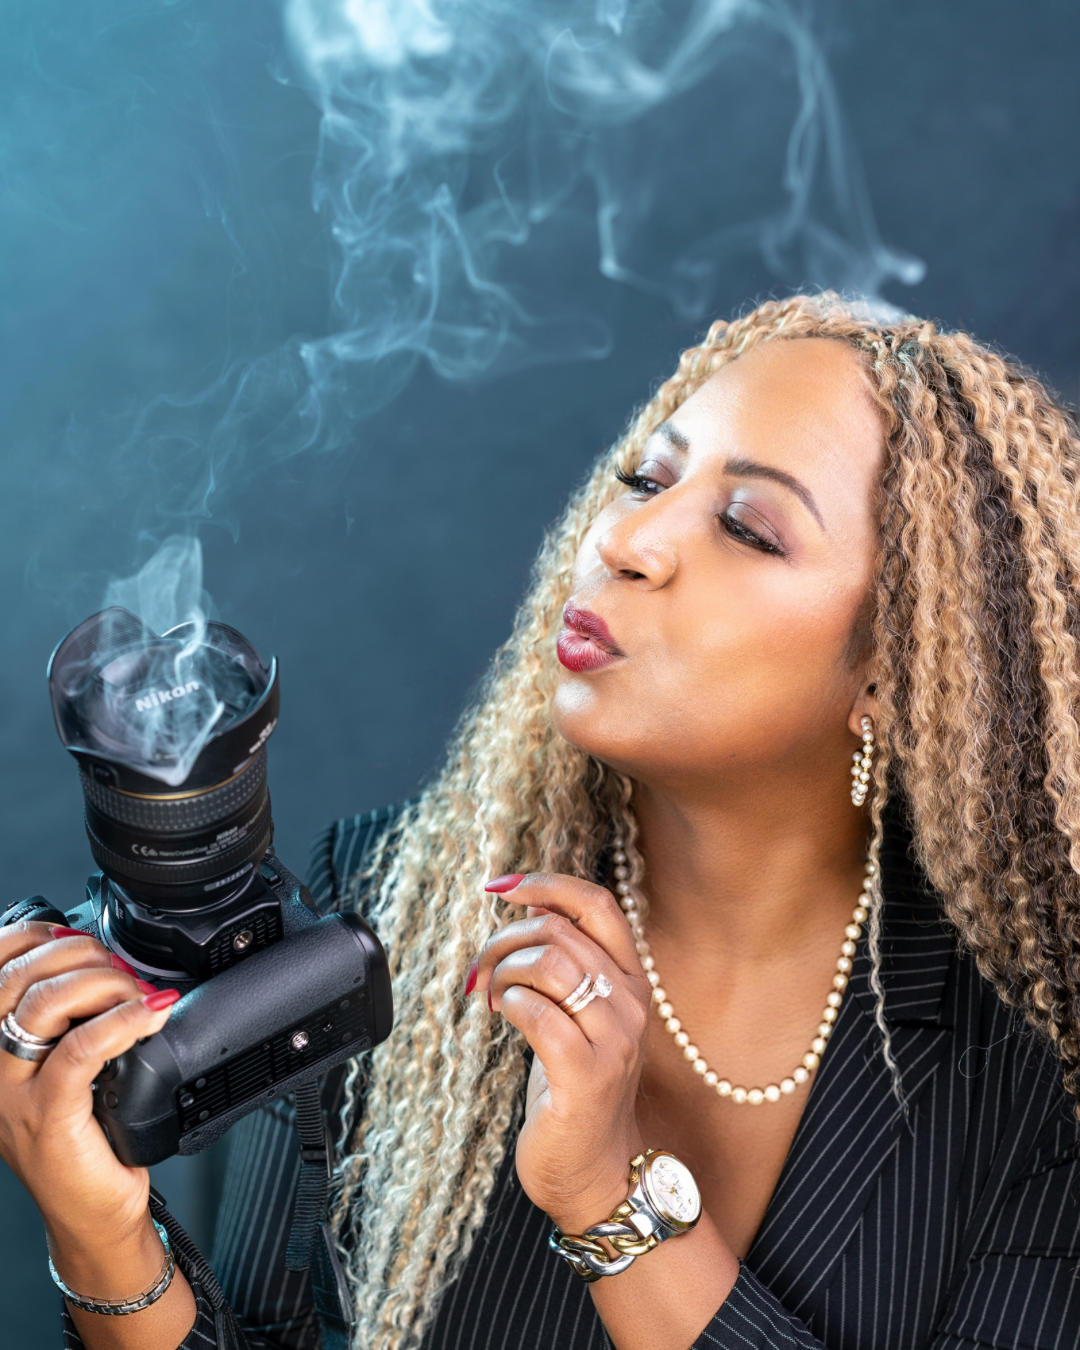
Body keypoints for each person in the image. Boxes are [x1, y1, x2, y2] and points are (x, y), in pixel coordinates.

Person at [3, 291, 1079, 1350]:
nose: (629, 538)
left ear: (900, 671)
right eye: (644, 477)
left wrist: (611, 1203)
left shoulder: (1038, 1071)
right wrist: (104, 1239)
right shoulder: (393, 910)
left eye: (748, 528)